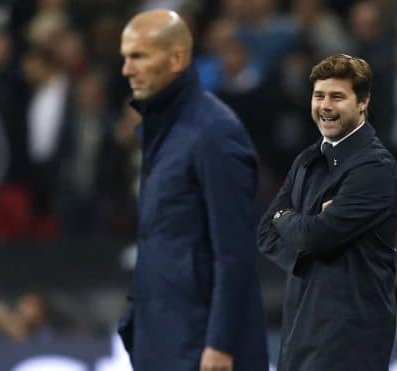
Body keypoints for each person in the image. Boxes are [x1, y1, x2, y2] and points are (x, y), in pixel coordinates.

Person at [117, 9, 268, 371]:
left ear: (177, 58)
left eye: (139, 56)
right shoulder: (161, 133)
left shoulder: (215, 134)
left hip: (201, 349)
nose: (127, 69)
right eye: (125, 57)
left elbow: (234, 252)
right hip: (162, 343)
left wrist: (220, 343)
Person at [257, 54, 397, 371]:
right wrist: (304, 243)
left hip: (351, 337)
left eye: (337, 96)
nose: (325, 106)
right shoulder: (307, 160)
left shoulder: (374, 167)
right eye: (319, 95)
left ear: (362, 102)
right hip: (299, 331)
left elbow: (315, 235)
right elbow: (266, 231)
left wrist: (294, 223)